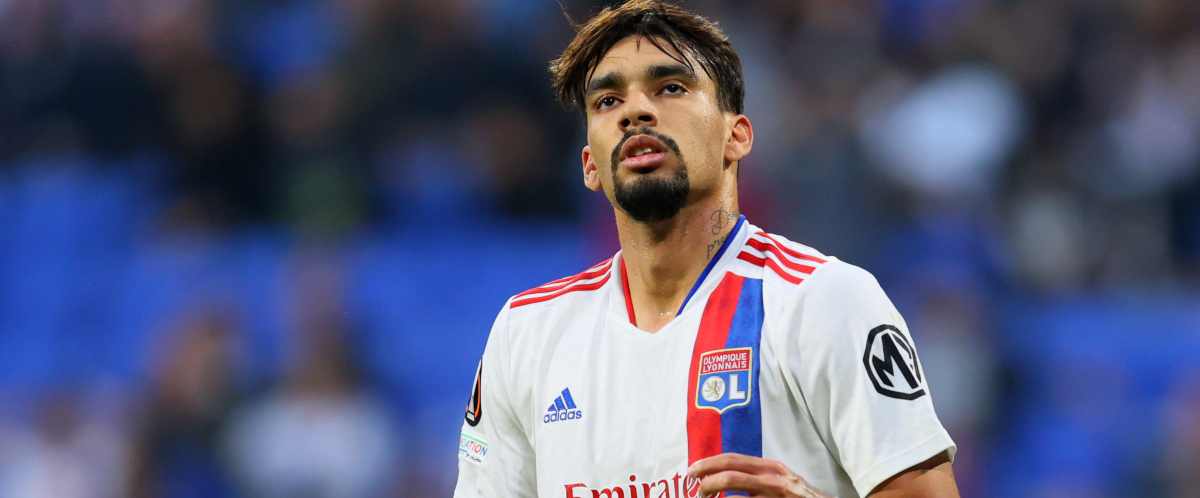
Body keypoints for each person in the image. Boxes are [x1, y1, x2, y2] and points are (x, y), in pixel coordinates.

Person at [454, 2, 959, 497]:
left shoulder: (824, 300)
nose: (635, 111)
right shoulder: (526, 334)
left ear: (735, 136)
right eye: (607, 101)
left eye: (670, 87)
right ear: (590, 165)